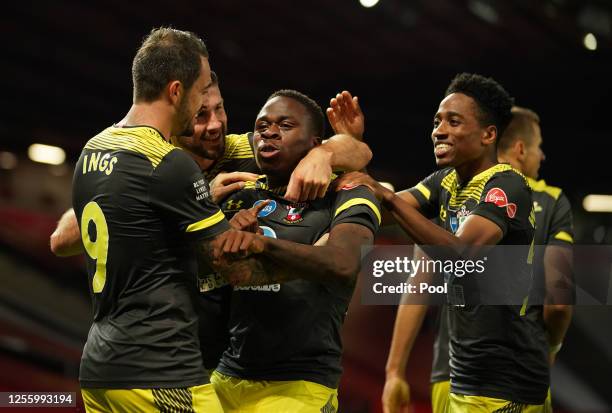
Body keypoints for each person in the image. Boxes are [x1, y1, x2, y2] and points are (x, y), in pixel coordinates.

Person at [337, 73, 550, 412]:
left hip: (506, 383)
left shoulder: (508, 187)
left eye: (454, 121)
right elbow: (376, 207)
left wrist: (388, 197)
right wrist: (350, 153)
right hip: (464, 376)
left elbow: (461, 253)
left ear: (488, 135)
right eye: (437, 121)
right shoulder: (445, 182)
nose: (439, 130)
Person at [72, 27, 256, 413]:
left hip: (100, 371)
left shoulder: (93, 149)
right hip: (160, 370)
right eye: (200, 89)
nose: (203, 98)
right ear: (176, 91)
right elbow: (233, 266)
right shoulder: (168, 164)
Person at [209, 89, 381, 413]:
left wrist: (263, 244)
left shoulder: (347, 193)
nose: (269, 132)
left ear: (316, 143)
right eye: (262, 126)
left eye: (285, 126)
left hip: (299, 384)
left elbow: (344, 263)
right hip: (226, 377)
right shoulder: (238, 194)